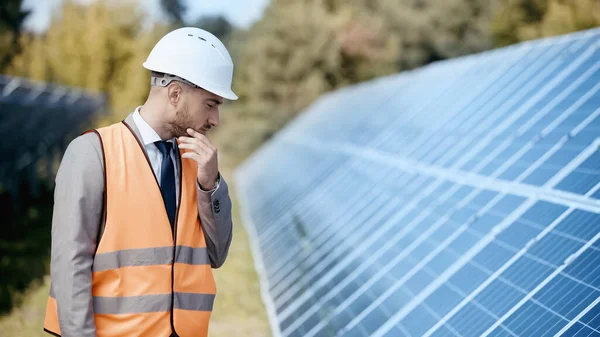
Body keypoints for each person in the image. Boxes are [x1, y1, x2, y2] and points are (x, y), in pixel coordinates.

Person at [43, 27, 237, 337]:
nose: (215, 120)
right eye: (211, 104)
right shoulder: (93, 153)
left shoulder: (196, 161)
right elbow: (71, 264)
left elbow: (217, 254)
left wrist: (210, 184)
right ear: (175, 94)